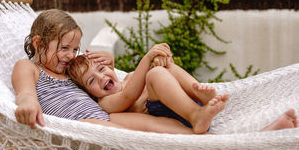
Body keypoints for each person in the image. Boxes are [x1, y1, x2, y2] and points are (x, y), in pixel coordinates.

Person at [12, 8, 298, 134]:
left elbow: (99, 81)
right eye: (64, 48)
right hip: (86, 126)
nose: (69, 56)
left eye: (74, 49)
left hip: (111, 117)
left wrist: (108, 63)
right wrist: (27, 101)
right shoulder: (29, 66)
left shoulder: (71, 69)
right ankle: (256, 139)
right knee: (163, 136)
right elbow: (25, 90)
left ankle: (254, 137)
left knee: (184, 138)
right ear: (38, 43)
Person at [68, 44, 229, 134]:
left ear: (110, 67)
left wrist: (161, 58)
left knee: (166, 68)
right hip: (180, 120)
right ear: (89, 93)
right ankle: (196, 114)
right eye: (91, 81)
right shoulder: (105, 103)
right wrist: (148, 58)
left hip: (196, 107)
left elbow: (160, 76)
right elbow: (128, 96)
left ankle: (201, 97)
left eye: (102, 69)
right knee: (155, 74)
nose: (101, 77)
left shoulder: (130, 77)